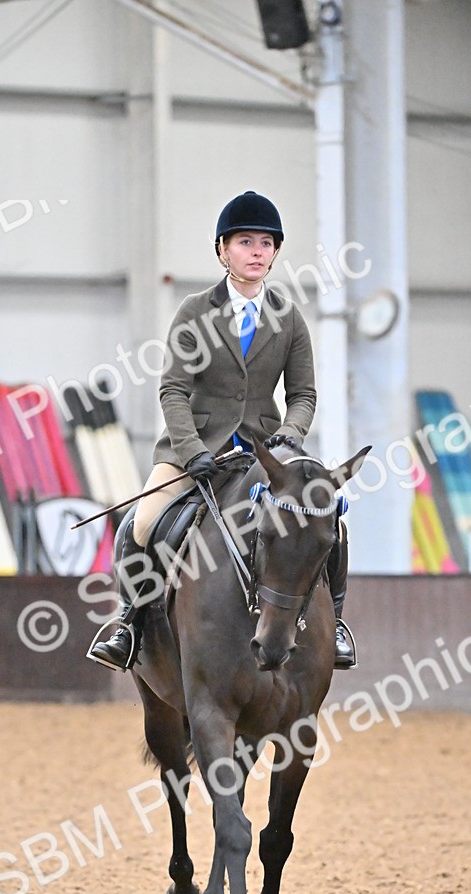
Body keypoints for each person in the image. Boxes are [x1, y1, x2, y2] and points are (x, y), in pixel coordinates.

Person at [90, 189, 356, 672]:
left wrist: (289, 436)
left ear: (275, 253)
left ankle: (334, 623)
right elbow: (173, 389)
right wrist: (190, 450)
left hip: (268, 453)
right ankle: (129, 624)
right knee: (143, 523)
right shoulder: (195, 311)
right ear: (222, 250)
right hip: (196, 451)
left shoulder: (290, 318)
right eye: (245, 242)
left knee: (329, 517)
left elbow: (303, 396)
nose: (256, 251)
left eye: (265, 243)